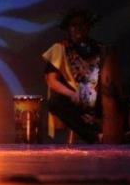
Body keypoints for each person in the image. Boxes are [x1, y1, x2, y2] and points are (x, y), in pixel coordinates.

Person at [42, 8, 124, 144]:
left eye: (82, 24)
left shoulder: (99, 48)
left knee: (122, 97)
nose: (79, 28)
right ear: (68, 28)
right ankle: (95, 137)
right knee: (55, 103)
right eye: (74, 25)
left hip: (98, 99)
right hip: (75, 100)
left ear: (88, 27)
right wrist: (71, 94)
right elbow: (52, 81)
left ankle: (121, 135)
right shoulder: (60, 48)